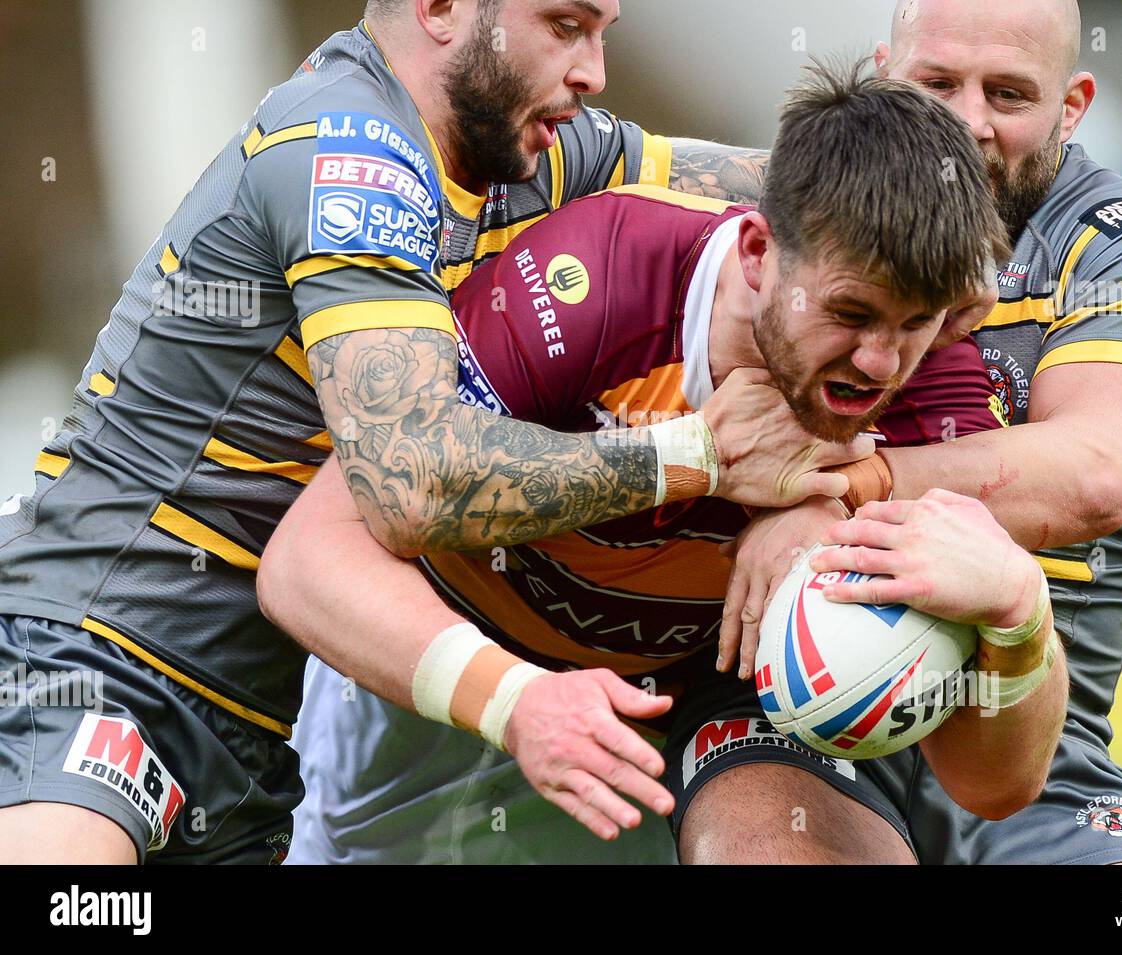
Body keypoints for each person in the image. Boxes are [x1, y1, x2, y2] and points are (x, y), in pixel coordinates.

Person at [0, 0, 856, 864]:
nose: (594, 69)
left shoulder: (534, 149)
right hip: (94, 656)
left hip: (248, 732)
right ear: (442, 8)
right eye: (565, 26)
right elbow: (414, 480)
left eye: (604, 31)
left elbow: (825, 199)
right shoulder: (351, 153)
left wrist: (955, 191)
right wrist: (699, 457)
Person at [264, 67, 1062, 865]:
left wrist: (1021, 618)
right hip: (462, 648)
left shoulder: (934, 381)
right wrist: (518, 697)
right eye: (849, 313)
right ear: (757, 252)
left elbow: (993, 785)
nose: (879, 360)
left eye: (913, 325)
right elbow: (306, 558)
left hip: (701, 678)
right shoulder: (597, 280)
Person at [718, 0, 1122, 865]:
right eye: (938, 83)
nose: (968, 123)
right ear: (884, 74)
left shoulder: (1118, 249)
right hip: (806, 724)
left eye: (1009, 94)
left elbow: (1091, 475)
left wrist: (839, 493)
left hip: (1042, 754)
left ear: (1073, 105)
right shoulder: (800, 200)